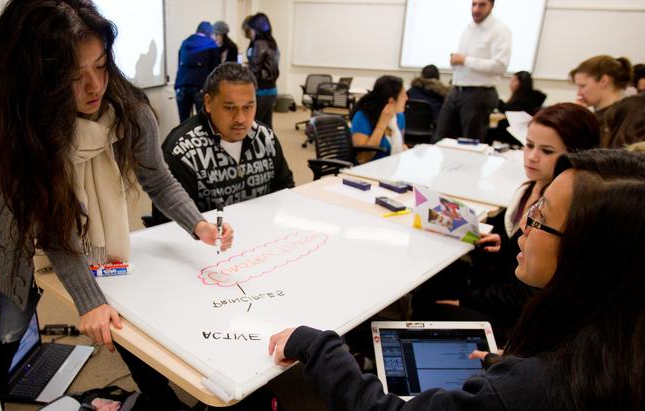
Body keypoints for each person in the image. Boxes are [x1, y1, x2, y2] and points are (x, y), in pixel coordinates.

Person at [0, 0, 233, 406]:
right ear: (40, 79)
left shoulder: (129, 112)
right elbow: (54, 229)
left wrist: (199, 224)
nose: (94, 87)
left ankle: (159, 398)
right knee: (10, 323)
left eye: (100, 67)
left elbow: (158, 177)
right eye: (72, 76)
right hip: (21, 221)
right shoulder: (25, 129)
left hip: (87, 230)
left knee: (118, 306)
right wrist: (88, 301)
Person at [269, 149, 645, 410]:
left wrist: (316, 346)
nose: (525, 225)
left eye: (541, 215)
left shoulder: (541, 386)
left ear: (588, 253)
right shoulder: (617, 341)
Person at [420, 103, 600, 345]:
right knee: (433, 282)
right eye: (528, 145)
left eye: (547, 151)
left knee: (430, 310)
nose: (532, 157)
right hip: (501, 288)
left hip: (520, 315)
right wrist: (505, 244)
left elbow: (528, 293)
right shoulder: (530, 188)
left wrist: (467, 300)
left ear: (576, 155)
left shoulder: (567, 209)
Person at [152, 63, 295, 225]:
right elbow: (168, 224)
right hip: (207, 244)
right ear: (208, 103)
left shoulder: (265, 137)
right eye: (229, 108)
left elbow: (285, 189)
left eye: (248, 107)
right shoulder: (182, 151)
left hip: (260, 233)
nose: (240, 118)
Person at [434, 0, 511, 143]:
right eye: (474, 4)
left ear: (491, 6)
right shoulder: (469, 28)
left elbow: (500, 65)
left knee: (469, 143)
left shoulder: (500, 29)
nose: (476, 9)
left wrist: (465, 60)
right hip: (457, 89)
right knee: (440, 139)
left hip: (479, 93)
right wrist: (457, 61)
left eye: (482, 5)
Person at [350, 76, 408, 163]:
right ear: (391, 101)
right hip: (366, 171)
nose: (407, 98)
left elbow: (401, 144)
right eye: (403, 95)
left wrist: (404, 148)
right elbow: (362, 159)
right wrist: (382, 124)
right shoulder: (362, 116)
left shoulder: (400, 117)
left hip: (390, 168)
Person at [175, 21, 221, 122]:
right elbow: (216, 68)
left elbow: (179, 63)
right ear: (210, 33)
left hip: (181, 85)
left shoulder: (185, 42)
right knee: (203, 122)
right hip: (200, 86)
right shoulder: (211, 44)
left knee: (183, 122)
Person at [569, 55, 632, 120]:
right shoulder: (624, 112)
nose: (578, 93)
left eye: (582, 86)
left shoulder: (618, 119)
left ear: (603, 81)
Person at [245, 13, 280, 127]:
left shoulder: (259, 44)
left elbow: (254, 70)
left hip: (260, 92)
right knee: (267, 127)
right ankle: (270, 146)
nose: (250, 32)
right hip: (271, 90)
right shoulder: (272, 43)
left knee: (255, 127)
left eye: (251, 29)